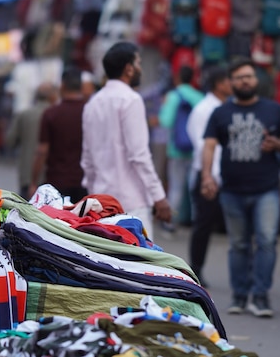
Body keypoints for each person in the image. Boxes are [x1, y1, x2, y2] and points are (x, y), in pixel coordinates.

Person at [201, 57, 280, 317]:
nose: (245, 81)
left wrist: (276, 144)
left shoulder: (274, 110)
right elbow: (209, 145)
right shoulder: (220, 113)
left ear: (256, 80)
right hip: (232, 190)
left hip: (267, 188)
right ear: (230, 83)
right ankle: (240, 296)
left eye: (249, 76)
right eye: (239, 77)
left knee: (266, 242)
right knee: (239, 244)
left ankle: (261, 296)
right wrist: (207, 176)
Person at [80, 41, 172, 240]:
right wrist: (159, 197)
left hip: (101, 204)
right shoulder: (131, 100)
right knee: (140, 265)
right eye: (138, 64)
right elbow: (139, 155)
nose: (141, 70)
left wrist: (94, 195)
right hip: (131, 203)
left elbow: (87, 160)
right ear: (129, 69)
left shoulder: (93, 103)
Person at [186, 66, 232, 287]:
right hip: (209, 175)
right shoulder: (205, 109)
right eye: (228, 80)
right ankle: (195, 269)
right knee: (203, 226)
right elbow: (203, 144)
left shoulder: (224, 107)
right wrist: (210, 176)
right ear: (219, 84)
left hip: (223, 174)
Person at [29, 67, 87, 202]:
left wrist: (33, 181)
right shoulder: (90, 111)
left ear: (62, 86)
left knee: (59, 221)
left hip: (57, 181)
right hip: (84, 181)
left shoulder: (51, 114)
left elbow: (42, 150)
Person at [158, 65, 204, 232]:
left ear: (178, 77)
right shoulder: (199, 97)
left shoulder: (172, 96)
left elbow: (166, 121)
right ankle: (196, 221)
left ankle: (170, 222)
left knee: (176, 186)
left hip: (176, 149)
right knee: (194, 187)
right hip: (195, 149)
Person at [5, 82, 59, 197]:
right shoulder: (57, 115)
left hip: (27, 175)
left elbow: (10, 141)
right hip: (52, 175)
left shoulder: (24, 115)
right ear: (52, 96)